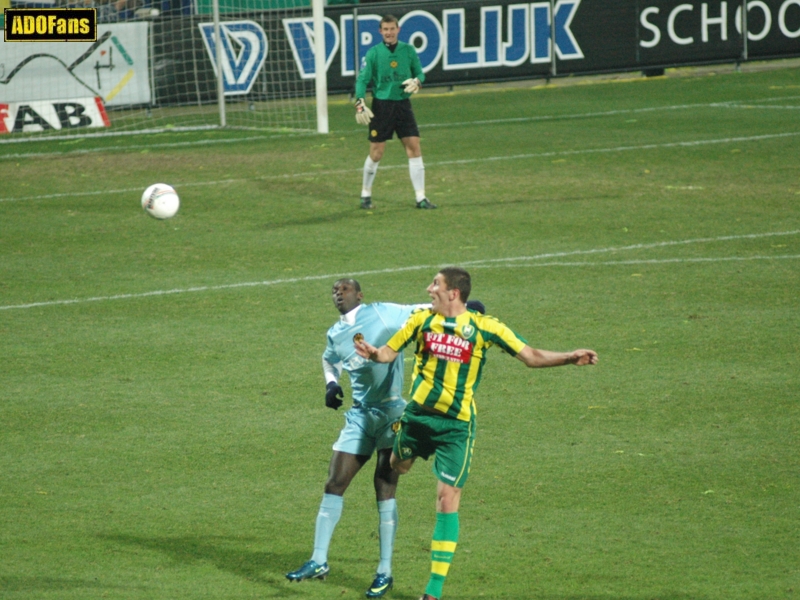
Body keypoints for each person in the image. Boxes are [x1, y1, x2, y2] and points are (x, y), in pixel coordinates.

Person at [354, 267, 598, 600]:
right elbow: (388, 353)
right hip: (417, 419)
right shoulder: (421, 321)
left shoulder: (486, 328)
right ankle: (404, 447)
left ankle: (433, 592)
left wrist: (569, 357)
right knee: (398, 465)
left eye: (435, 285)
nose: (428, 289)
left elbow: (530, 356)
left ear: (453, 293)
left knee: (447, 500)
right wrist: (373, 353)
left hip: (456, 427)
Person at [286, 278, 485, 598]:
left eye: (345, 289)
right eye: (334, 290)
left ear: (359, 295)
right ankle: (318, 560)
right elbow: (329, 358)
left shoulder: (382, 314)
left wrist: (466, 310)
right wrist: (330, 383)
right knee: (334, 482)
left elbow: (419, 309)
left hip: (392, 416)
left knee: (384, 487)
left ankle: (384, 571)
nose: (338, 294)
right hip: (359, 416)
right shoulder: (335, 333)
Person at [354, 14, 436, 211]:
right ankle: (365, 194)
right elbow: (362, 80)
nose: (389, 33)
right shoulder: (373, 53)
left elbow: (420, 72)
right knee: (376, 153)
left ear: (398, 30)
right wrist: (360, 102)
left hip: (403, 105)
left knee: (414, 147)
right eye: (386, 29)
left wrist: (418, 81)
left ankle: (421, 197)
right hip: (382, 107)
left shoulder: (408, 50)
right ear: (380, 31)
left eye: (392, 29)